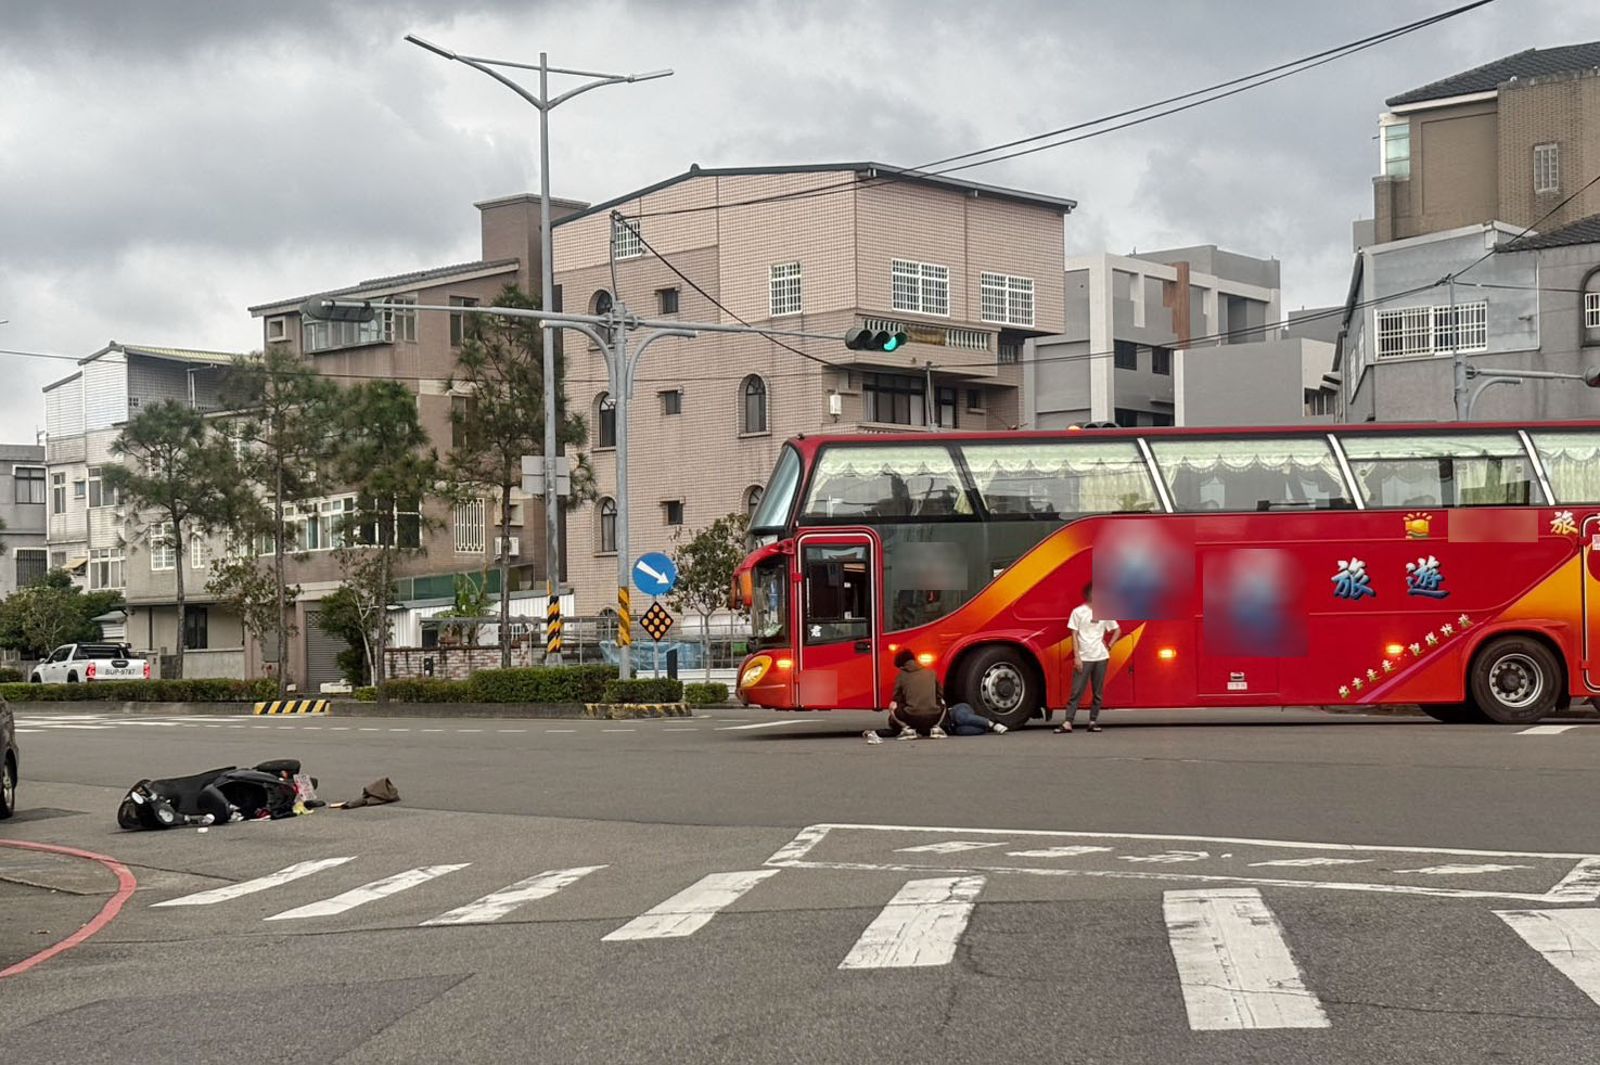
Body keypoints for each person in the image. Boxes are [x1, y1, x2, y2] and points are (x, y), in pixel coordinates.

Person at [865, 649, 1007, 742]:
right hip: (939, 718)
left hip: (946, 714)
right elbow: (940, 693)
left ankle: (992, 723)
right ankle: (988, 727)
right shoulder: (931, 673)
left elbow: (896, 697)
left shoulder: (902, 676)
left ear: (902, 665)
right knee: (963, 729)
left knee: (961, 717)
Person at [1057, 582, 1119, 733]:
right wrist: (1077, 657)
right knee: (1076, 691)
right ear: (1089, 594)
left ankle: (1093, 721)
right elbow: (1074, 635)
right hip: (1084, 657)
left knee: (1097, 692)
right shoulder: (1078, 612)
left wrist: (1109, 645)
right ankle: (1068, 722)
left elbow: (1117, 630)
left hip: (1101, 657)